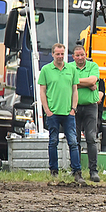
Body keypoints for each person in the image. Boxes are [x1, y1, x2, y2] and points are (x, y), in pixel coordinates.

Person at [38, 43, 84, 184]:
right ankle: (54, 171)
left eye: (62, 54)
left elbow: (75, 90)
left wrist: (73, 109)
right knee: (53, 142)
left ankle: (77, 172)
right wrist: (47, 110)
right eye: (57, 54)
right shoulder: (46, 70)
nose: (60, 56)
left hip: (68, 113)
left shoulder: (71, 69)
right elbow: (42, 91)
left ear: (65, 54)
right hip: (53, 113)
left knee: (73, 142)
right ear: (52, 54)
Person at [68, 45, 101, 182]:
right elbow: (66, 82)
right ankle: (76, 170)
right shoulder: (69, 67)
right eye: (77, 55)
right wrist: (86, 83)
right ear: (73, 57)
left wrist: (76, 83)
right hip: (73, 107)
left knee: (91, 138)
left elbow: (93, 80)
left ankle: (93, 171)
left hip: (90, 107)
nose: (80, 58)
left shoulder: (93, 66)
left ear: (85, 54)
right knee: (74, 140)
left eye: (82, 55)